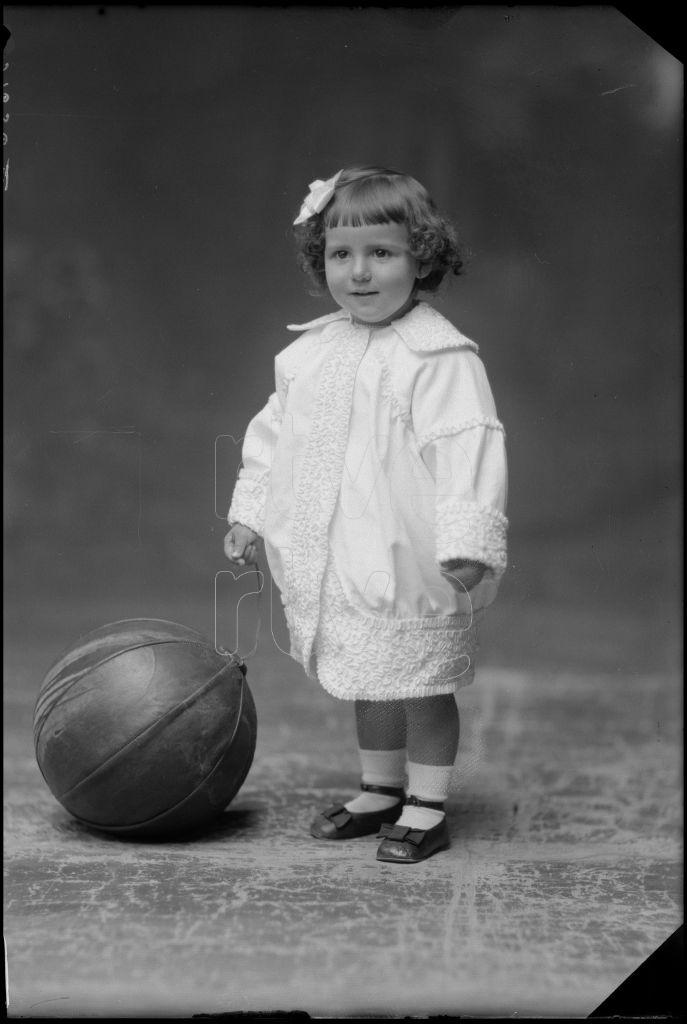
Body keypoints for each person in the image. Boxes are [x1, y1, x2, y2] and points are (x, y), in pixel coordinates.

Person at [225, 166, 508, 862]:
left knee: (419, 682)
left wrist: (468, 540)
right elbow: (273, 437)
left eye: (381, 253)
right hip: (339, 550)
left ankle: (427, 805)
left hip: (407, 552)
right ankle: (380, 789)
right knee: (367, 674)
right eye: (340, 254)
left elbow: (465, 447)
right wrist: (249, 513)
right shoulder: (309, 355)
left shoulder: (436, 356)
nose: (358, 272)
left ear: (422, 258)